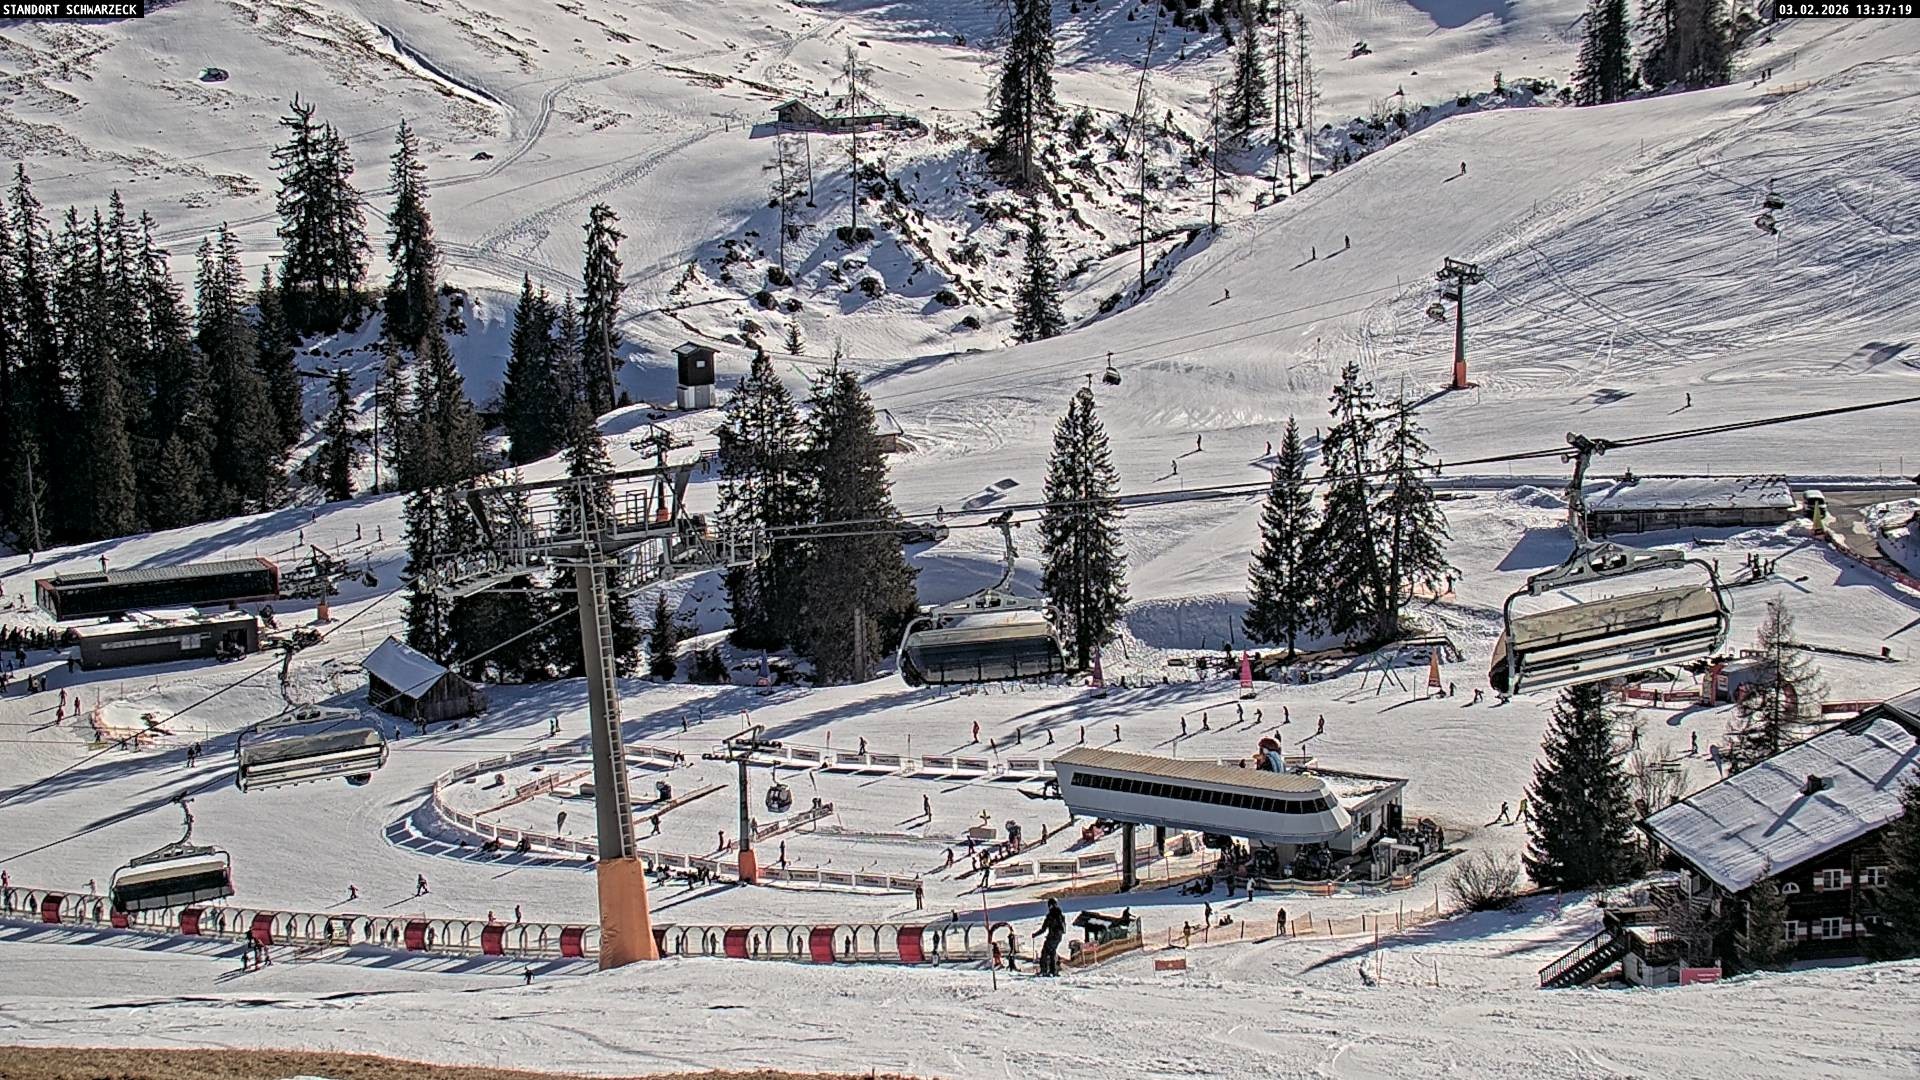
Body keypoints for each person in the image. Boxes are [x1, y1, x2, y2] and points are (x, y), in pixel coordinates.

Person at [1036, 898, 1067, 976]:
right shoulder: (1061, 915)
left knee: (1045, 952)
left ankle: (1044, 970)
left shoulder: (1051, 916)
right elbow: (1063, 929)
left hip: (1052, 937)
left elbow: (1043, 929)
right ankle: (1053, 971)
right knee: (1052, 952)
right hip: (1058, 938)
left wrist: (1035, 934)